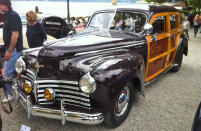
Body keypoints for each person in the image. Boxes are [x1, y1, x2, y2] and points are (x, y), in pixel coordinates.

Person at [0, 0, 23, 102]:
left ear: (6, 5)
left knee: (8, 72)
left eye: (0, 5)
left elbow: (15, 35)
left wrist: (9, 50)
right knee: (12, 72)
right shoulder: (7, 16)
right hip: (10, 49)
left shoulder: (13, 16)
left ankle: (10, 95)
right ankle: (14, 92)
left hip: (13, 50)